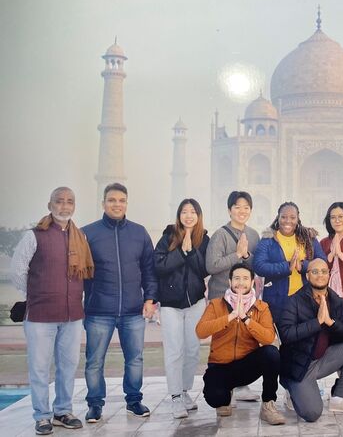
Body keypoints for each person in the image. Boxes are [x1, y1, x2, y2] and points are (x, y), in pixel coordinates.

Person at [10, 187, 94, 435]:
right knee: (39, 366)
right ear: (50, 205)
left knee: (68, 365)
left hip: (72, 315)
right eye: (60, 201)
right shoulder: (34, 236)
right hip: (40, 316)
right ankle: (42, 415)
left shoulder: (81, 238)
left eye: (70, 201)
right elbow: (17, 271)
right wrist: (36, 294)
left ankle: (62, 411)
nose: (65, 206)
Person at [81, 183, 158, 422]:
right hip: (98, 310)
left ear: (127, 203)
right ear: (103, 203)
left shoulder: (139, 232)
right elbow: (79, 273)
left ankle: (134, 401)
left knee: (135, 359)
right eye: (112, 200)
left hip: (133, 310)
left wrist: (150, 299)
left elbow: (149, 270)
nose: (117, 204)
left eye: (121, 200)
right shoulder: (88, 233)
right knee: (94, 361)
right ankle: (95, 404)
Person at [195, 263, 285, 425]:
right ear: (230, 282)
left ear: (252, 283)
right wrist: (230, 317)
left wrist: (246, 319)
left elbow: (268, 337)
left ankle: (268, 404)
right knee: (217, 399)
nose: (241, 283)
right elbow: (201, 331)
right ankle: (226, 394)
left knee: (271, 353)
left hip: (245, 366)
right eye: (236, 278)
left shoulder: (261, 307)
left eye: (245, 279)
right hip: (220, 365)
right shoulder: (216, 304)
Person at [277, 258, 343, 422]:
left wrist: (331, 323)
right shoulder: (294, 301)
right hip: (299, 365)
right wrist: (316, 322)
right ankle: (291, 387)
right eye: (315, 271)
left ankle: (339, 398)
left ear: (329, 275)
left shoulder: (336, 301)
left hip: (323, 359)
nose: (320, 275)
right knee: (312, 414)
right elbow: (286, 334)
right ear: (308, 276)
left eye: (324, 271)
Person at [154, 198, 210, 419]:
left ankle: (185, 391)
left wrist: (191, 249)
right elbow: (159, 266)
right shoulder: (168, 236)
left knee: (192, 350)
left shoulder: (204, 238)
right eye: (184, 212)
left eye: (193, 211)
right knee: (174, 350)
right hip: (170, 304)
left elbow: (204, 269)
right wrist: (180, 252)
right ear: (179, 215)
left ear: (198, 215)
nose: (189, 215)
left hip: (194, 302)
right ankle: (175, 397)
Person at [205, 190, 261, 402]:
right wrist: (236, 255)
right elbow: (212, 265)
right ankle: (222, 387)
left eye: (246, 207)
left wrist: (247, 255)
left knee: (244, 340)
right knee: (223, 343)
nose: (242, 211)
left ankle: (241, 385)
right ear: (229, 210)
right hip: (222, 297)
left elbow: (258, 267)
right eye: (237, 207)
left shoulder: (253, 235)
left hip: (245, 299)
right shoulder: (220, 235)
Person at [253, 202, 326, 324]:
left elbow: (322, 262)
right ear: (278, 217)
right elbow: (259, 266)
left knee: (306, 335)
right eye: (284, 217)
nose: (288, 221)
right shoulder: (268, 239)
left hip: (306, 298)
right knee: (285, 337)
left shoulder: (308, 237)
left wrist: (302, 266)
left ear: (298, 218)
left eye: (292, 217)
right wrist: (287, 266)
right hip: (278, 300)